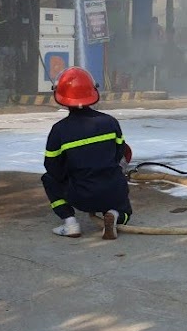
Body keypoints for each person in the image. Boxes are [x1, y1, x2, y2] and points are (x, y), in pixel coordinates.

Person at [42, 67, 133, 240]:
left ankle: (70, 223)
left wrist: (72, 172)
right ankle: (115, 215)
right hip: (113, 191)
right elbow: (121, 154)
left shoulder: (59, 130)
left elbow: (52, 167)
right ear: (93, 90)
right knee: (126, 211)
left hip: (80, 196)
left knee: (48, 179)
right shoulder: (111, 122)